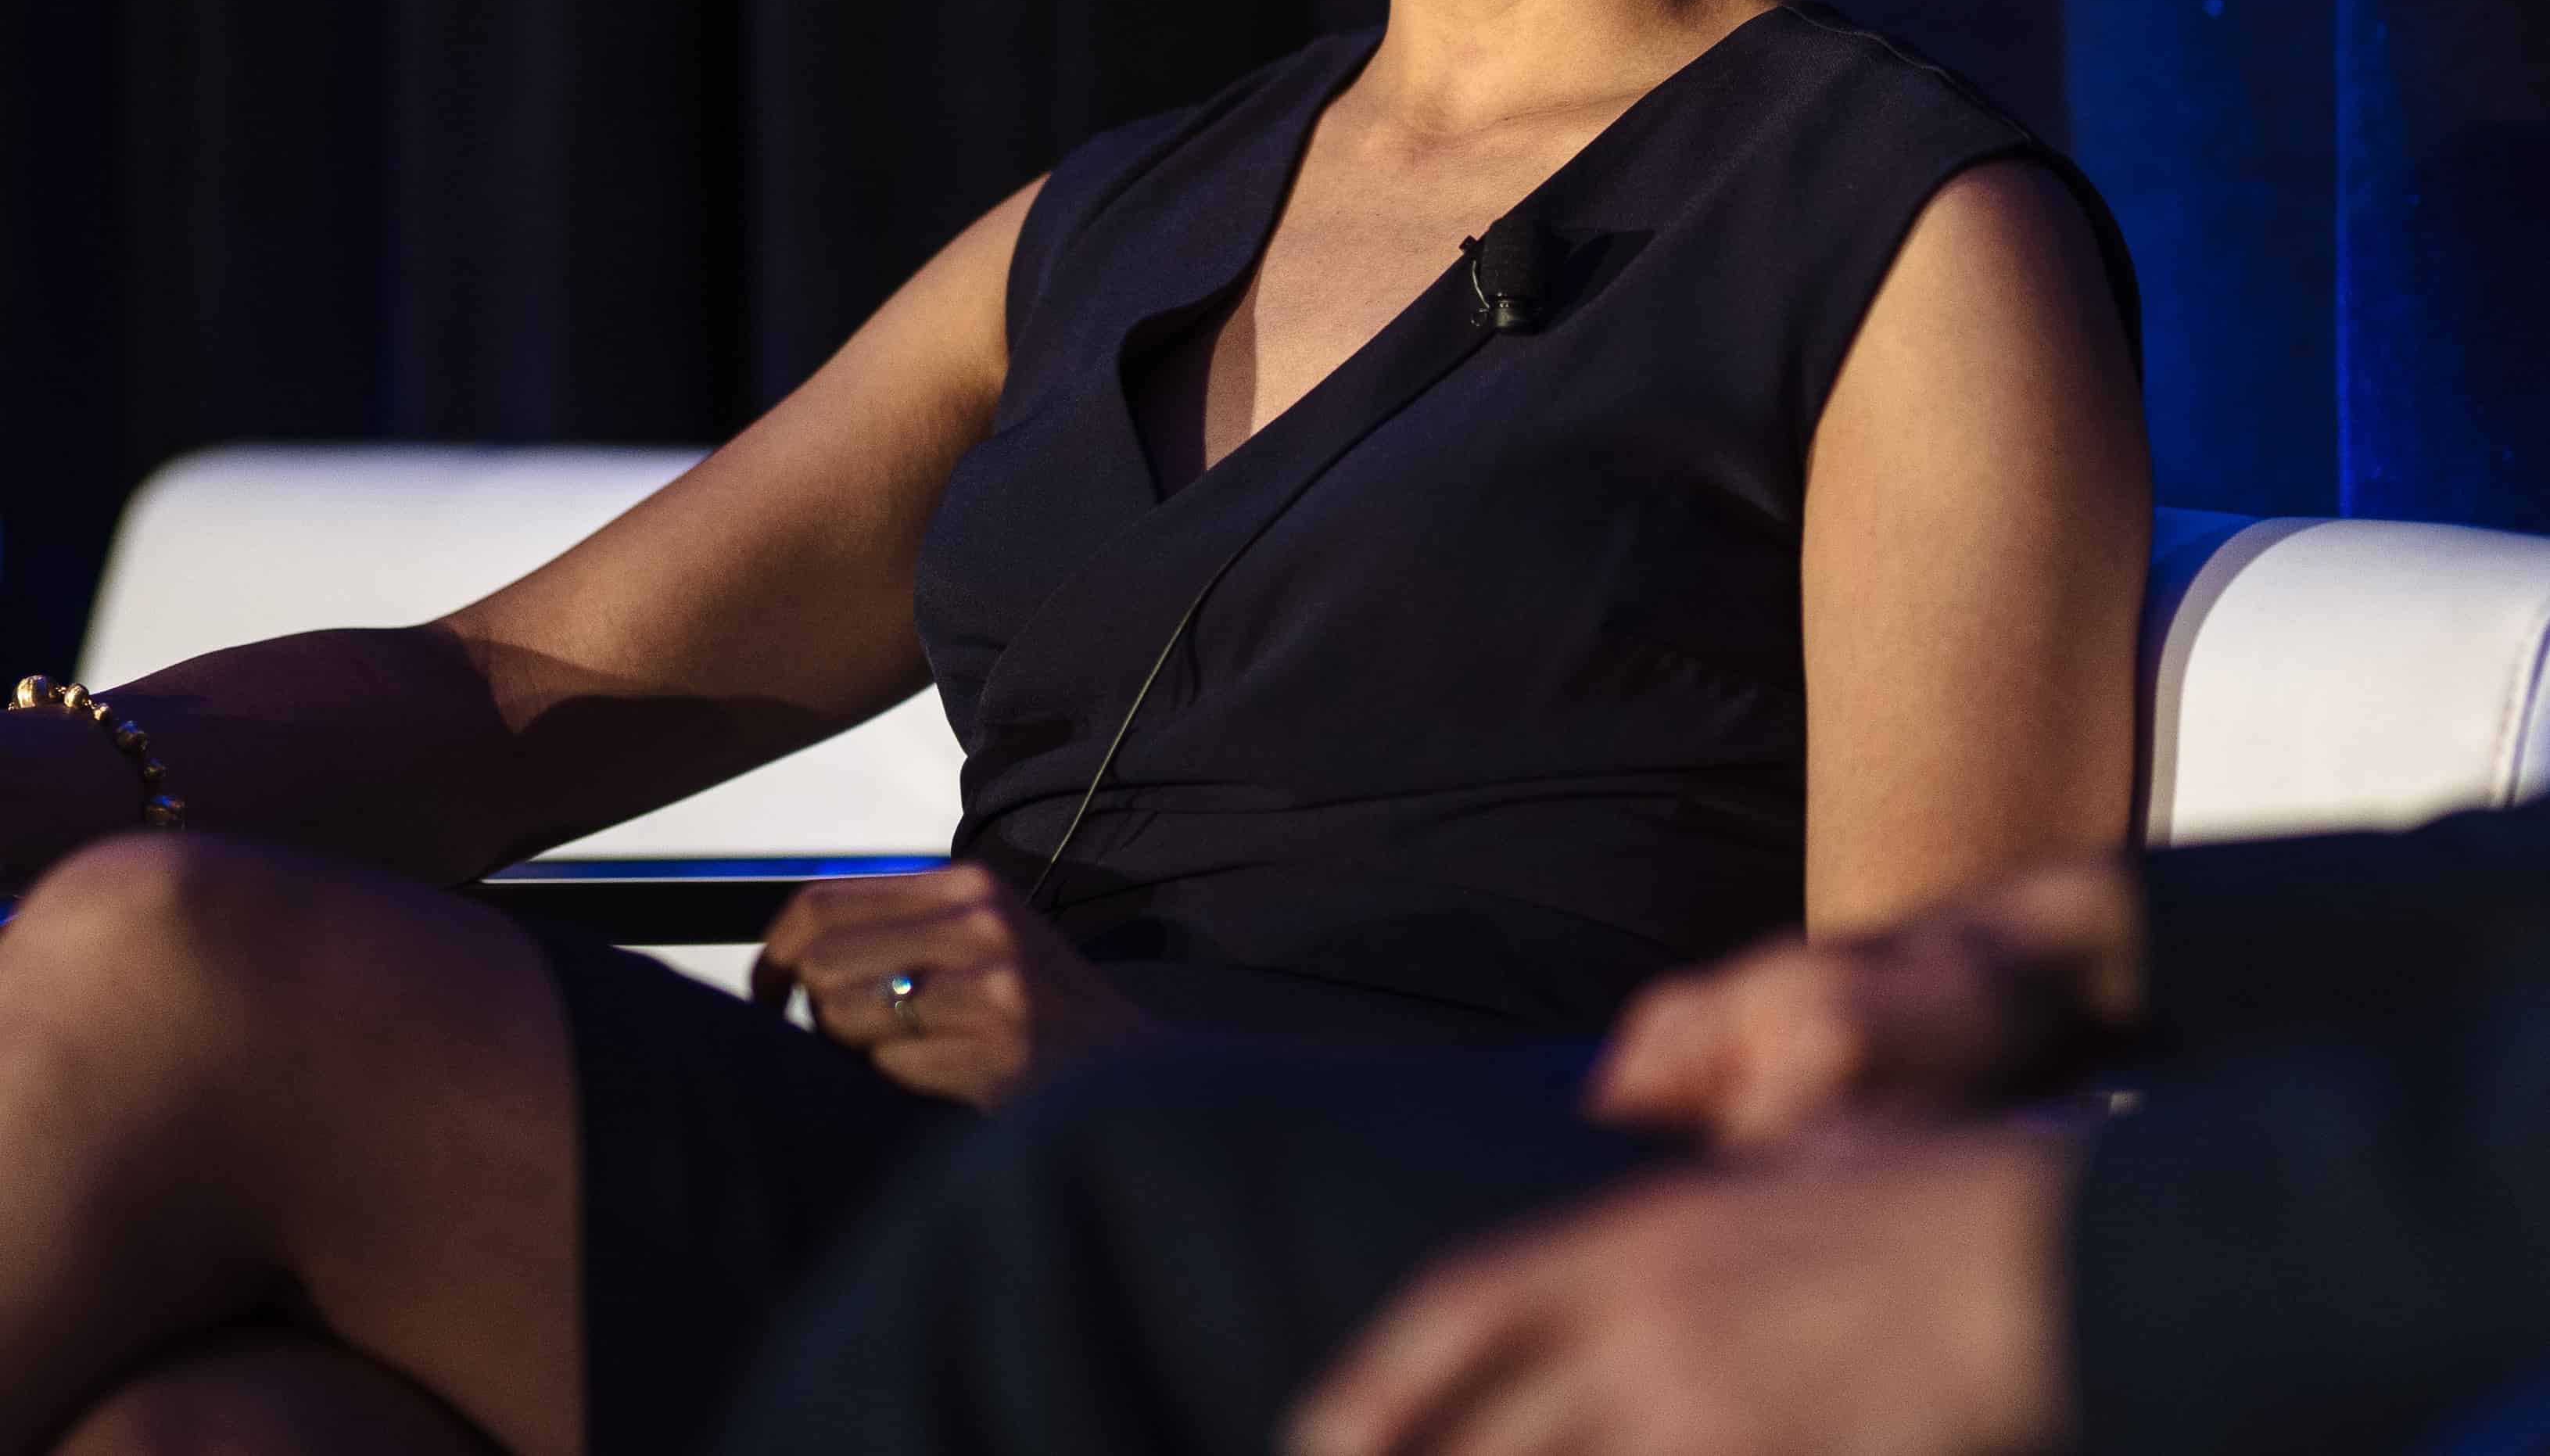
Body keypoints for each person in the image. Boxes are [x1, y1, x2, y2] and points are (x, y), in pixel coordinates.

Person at [0, 0, 2147, 1456]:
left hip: (1371, 1321)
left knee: (174, 965)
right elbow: (534, 681)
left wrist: (1145, 1080)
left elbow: (1918, 1148)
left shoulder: (1904, 237)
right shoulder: (1113, 218)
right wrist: (78, 768)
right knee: (232, 1427)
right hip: (970, 1249)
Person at [715, 802, 2550, 1456]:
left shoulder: (1874, 208)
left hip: (2378, 1269)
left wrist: (2047, 1255)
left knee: (1107, 1214)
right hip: (1051, 1115)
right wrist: (2064, 940)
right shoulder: (1110, 216)